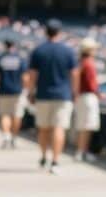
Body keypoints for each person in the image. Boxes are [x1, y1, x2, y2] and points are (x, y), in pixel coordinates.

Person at [28, 19, 77, 174]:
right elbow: (74, 74)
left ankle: (43, 156)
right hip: (63, 95)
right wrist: (74, 92)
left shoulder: (38, 50)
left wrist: (30, 92)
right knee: (59, 128)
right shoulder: (68, 51)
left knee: (43, 128)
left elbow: (32, 75)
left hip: (43, 95)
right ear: (60, 32)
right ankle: (55, 161)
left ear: (45, 32)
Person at [0, 39, 28, 149]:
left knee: (4, 114)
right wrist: (26, 89)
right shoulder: (20, 59)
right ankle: (13, 137)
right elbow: (25, 77)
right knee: (17, 115)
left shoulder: (0, 58)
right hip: (17, 91)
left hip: (3, 90)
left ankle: (6, 136)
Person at [74, 37, 102, 162]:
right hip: (88, 97)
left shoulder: (81, 62)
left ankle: (82, 151)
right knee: (87, 126)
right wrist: (99, 94)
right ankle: (82, 152)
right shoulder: (89, 63)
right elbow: (92, 84)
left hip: (81, 97)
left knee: (83, 126)